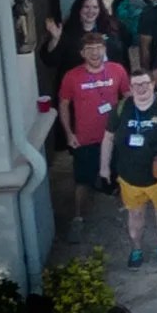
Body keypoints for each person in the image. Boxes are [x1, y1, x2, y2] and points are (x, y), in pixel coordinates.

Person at [54, 28, 125, 241]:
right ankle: (78, 218)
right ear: (82, 53)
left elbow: (128, 97)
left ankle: (125, 211)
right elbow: (64, 105)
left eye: (98, 48)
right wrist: (69, 133)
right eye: (89, 49)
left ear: (105, 50)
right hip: (85, 137)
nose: (95, 53)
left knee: (121, 174)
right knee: (82, 181)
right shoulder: (72, 76)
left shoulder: (117, 70)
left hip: (113, 136)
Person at [107, 65, 157, 267]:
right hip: (130, 175)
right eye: (136, 85)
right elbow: (108, 137)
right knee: (135, 214)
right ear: (130, 87)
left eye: (145, 84)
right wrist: (104, 167)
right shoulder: (121, 107)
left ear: (153, 84)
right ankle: (136, 248)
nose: (141, 88)